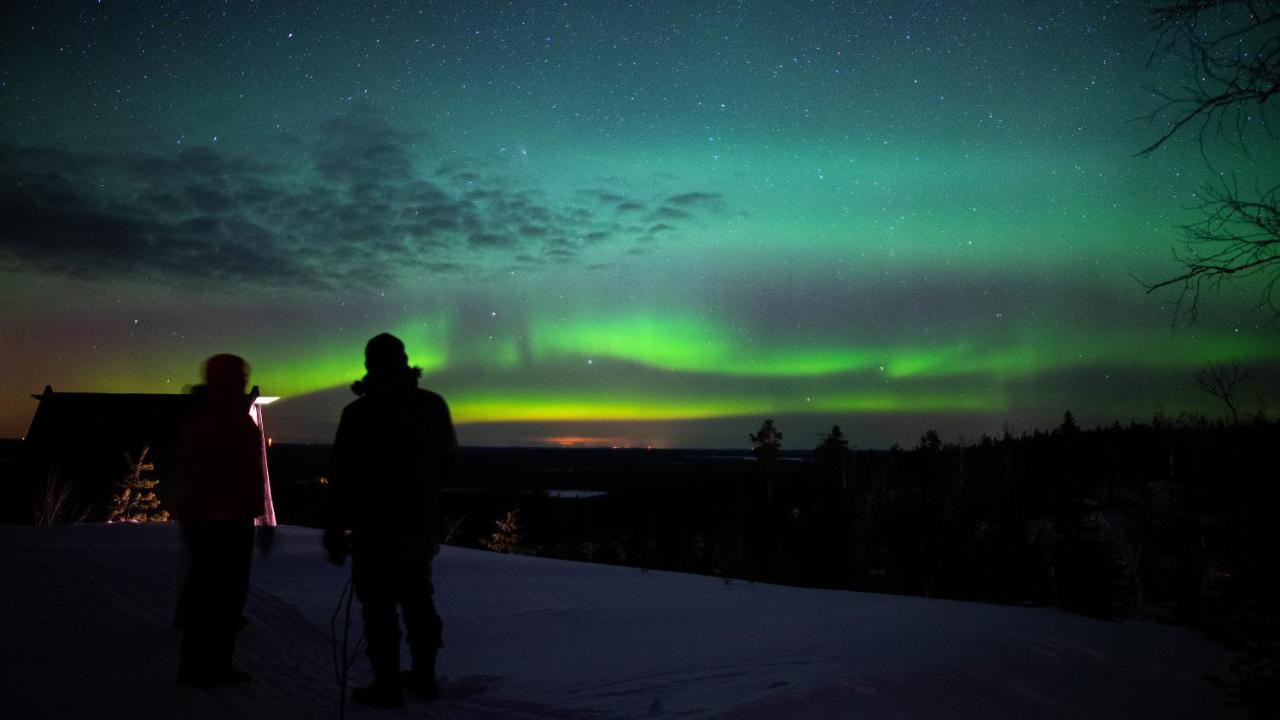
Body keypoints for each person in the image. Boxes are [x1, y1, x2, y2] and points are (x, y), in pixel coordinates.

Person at [325, 333, 458, 708]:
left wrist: (336, 526)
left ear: (370, 366)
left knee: (379, 606)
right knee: (418, 600)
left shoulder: (359, 414)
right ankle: (423, 676)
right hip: (418, 524)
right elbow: (447, 461)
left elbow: (342, 475)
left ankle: (388, 684)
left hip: (374, 527)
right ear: (404, 362)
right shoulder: (432, 406)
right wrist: (427, 497)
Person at [176, 354, 269, 687]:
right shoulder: (225, 417)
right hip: (225, 520)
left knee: (210, 591)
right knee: (222, 594)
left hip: (211, 517)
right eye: (240, 375)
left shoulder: (205, 413)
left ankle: (201, 661)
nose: (244, 379)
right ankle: (210, 663)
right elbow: (241, 469)